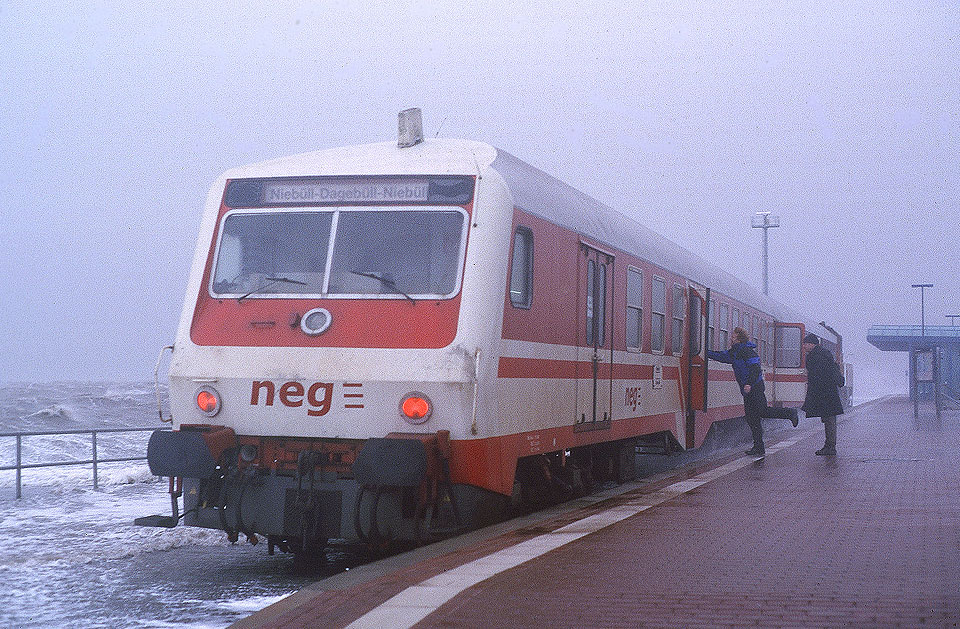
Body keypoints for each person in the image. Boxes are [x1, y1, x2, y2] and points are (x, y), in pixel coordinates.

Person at [708, 327, 799, 456]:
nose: (731, 339)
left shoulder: (748, 351)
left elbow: (755, 369)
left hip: (755, 386)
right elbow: (721, 356)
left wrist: (749, 383)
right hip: (747, 389)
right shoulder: (734, 353)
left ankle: (790, 413)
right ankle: (759, 447)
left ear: (739, 338)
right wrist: (704, 352)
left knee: (763, 411)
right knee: (752, 418)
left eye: (733, 337)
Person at [801, 333, 845, 455]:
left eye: (805, 344)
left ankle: (830, 447)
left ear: (812, 344)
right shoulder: (823, 354)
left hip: (824, 393)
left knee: (829, 420)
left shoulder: (817, 356)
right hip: (828, 393)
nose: (804, 346)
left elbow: (819, 375)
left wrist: (816, 392)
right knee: (828, 419)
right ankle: (829, 446)